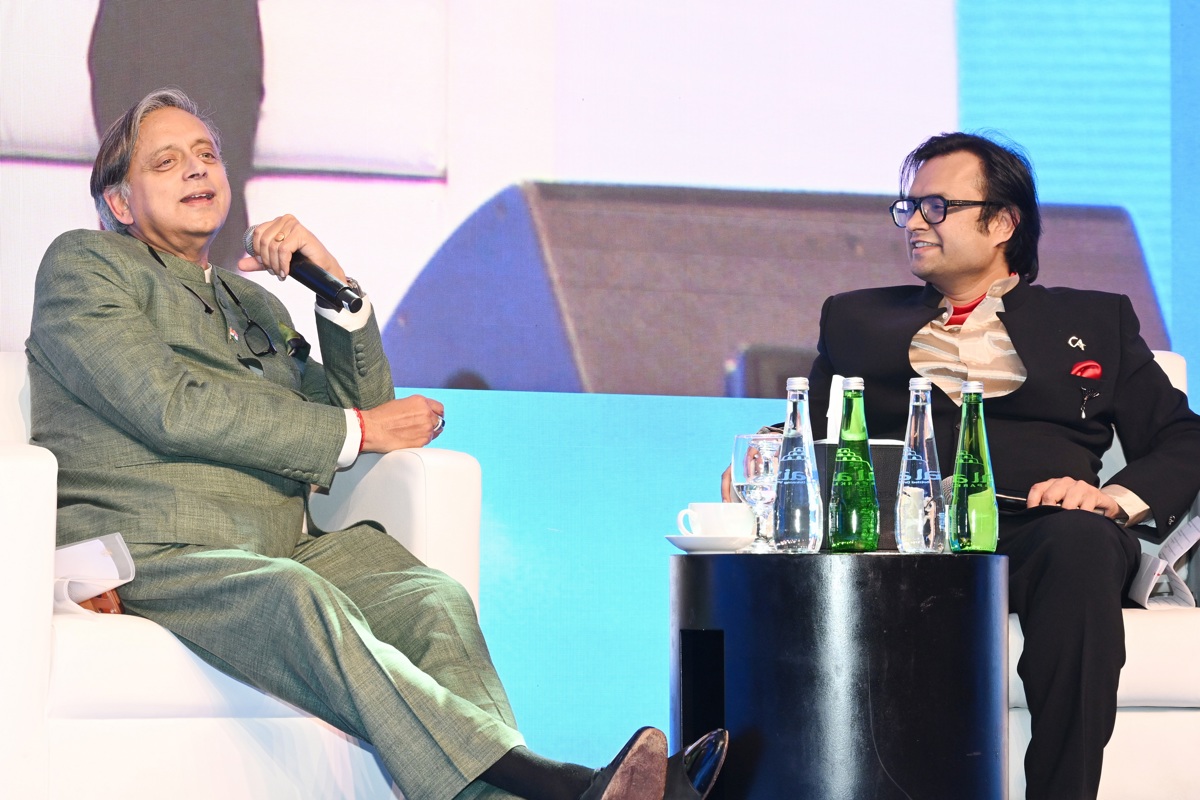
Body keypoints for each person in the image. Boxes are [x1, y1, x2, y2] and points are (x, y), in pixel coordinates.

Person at [26, 87, 727, 800]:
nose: (197, 169)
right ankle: (565, 785)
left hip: (274, 543)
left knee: (431, 599)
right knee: (295, 595)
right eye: (167, 161)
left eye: (206, 153)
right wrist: (358, 430)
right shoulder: (85, 265)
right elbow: (169, 406)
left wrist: (336, 289)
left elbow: (363, 406)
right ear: (119, 202)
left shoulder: (252, 301)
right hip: (156, 548)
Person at [725, 132, 1200, 800]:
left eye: (938, 207)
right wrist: (768, 454)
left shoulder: (1096, 320)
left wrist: (1112, 498)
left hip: (1037, 529)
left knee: (1082, 543)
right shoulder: (855, 319)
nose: (914, 222)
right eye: (908, 207)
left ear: (1002, 222)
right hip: (898, 536)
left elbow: (1184, 438)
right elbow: (816, 430)